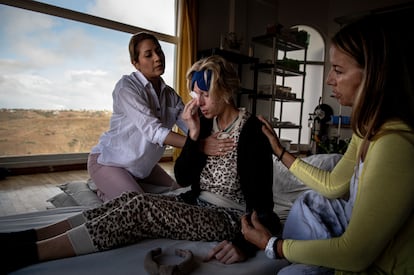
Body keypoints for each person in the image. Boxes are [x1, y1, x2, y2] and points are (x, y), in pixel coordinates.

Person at [1, 55, 281, 273]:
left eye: (205, 94)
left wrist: (244, 244)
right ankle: (28, 237)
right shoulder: (205, 123)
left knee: (140, 206)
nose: (198, 102)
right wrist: (194, 135)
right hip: (196, 204)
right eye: (195, 94)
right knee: (125, 201)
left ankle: (28, 254)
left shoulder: (251, 132)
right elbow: (183, 178)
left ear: (227, 90)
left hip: (228, 218)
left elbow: (265, 208)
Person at [241, 12, 414, 274]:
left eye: (338, 70)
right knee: (308, 202)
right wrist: (279, 151)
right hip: (361, 256)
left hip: (379, 267)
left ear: (375, 75)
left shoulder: (395, 144)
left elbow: (355, 254)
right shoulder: (366, 129)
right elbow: (334, 185)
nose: (329, 79)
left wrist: (273, 245)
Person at [88, 32, 233, 201]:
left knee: (181, 190)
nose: (157, 58)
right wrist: (199, 145)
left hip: (142, 168)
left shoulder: (169, 94)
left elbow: (190, 124)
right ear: (136, 63)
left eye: (159, 51)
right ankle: (104, 190)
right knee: (138, 205)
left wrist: (220, 135)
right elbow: (154, 131)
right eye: (148, 55)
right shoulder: (126, 87)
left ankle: (122, 186)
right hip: (109, 162)